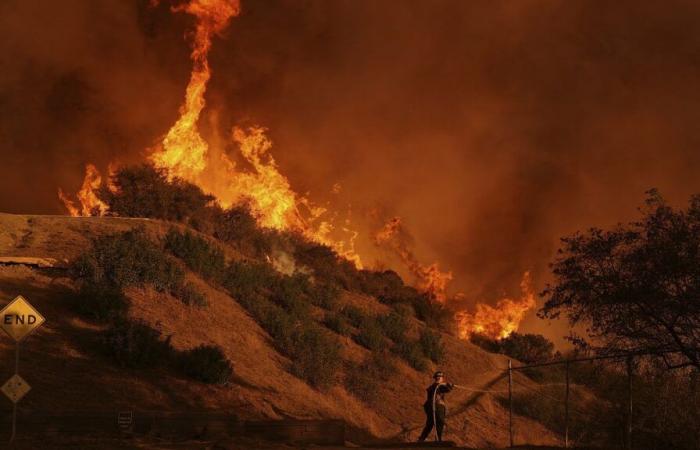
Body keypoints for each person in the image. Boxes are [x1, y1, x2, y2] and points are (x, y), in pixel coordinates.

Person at [418, 371, 454, 442]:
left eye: (439, 377)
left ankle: (422, 438)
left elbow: (446, 389)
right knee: (440, 421)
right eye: (438, 377)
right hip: (437, 406)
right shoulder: (438, 386)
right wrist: (449, 385)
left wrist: (448, 385)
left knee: (430, 423)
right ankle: (438, 439)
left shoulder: (433, 387)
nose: (438, 378)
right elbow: (447, 389)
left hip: (429, 406)